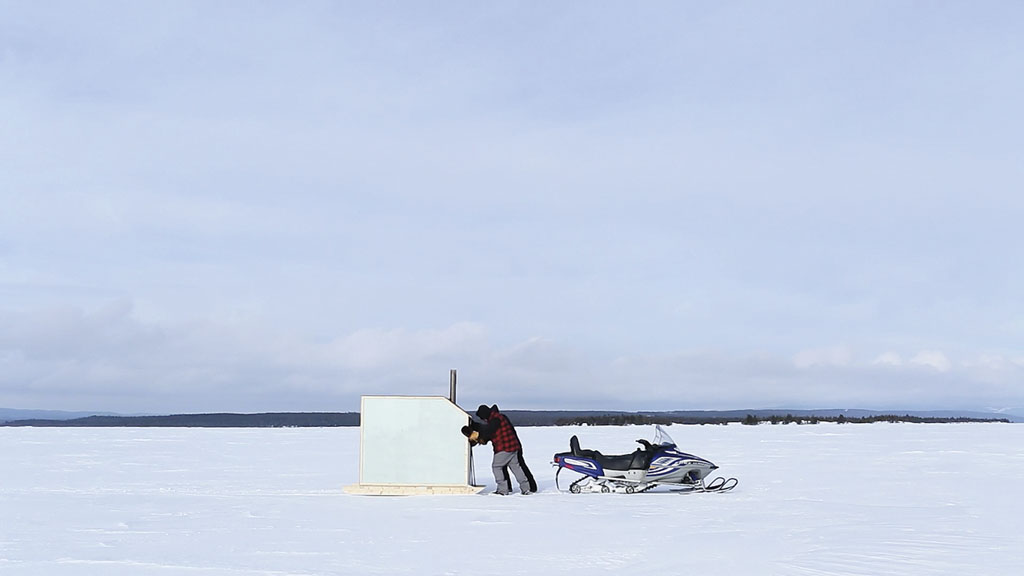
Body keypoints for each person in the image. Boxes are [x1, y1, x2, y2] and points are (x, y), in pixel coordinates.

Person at [469, 404, 534, 495]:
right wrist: (476, 427)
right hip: (514, 447)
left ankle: (503, 490)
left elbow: (488, 431)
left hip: (504, 448)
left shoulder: (494, 420)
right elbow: (488, 429)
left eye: (482, 418)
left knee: (497, 467)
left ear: (484, 415)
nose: (483, 420)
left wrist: (477, 434)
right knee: (516, 468)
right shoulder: (499, 417)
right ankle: (526, 488)